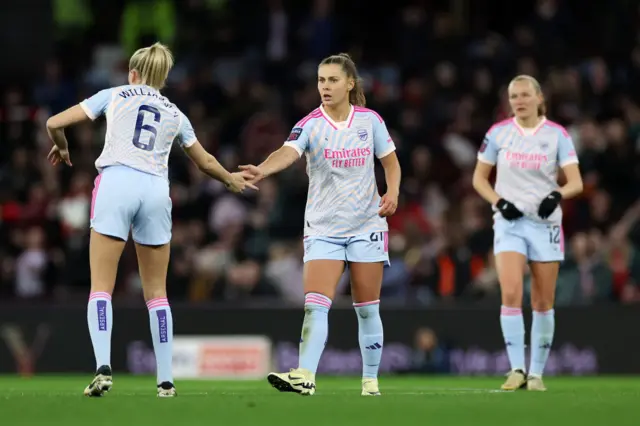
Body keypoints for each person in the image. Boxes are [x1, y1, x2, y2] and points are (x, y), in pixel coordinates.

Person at [45, 42, 257, 397]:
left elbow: (54, 122)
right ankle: (166, 379)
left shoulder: (113, 94)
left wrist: (62, 145)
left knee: (102, 286)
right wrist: (231, 180)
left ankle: (102, 368)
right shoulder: (176, 113)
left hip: (116, 182)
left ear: (133, 73)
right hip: (157, 191)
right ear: (163, 78)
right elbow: (204, 162)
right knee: (157, 293)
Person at [240, 53, 401, 396]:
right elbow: (287, 151)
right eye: (321, 80)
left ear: (350, 84)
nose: (325, 87)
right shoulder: (311, 123)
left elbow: (391, 163)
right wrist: (263, 169)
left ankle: (370, 380)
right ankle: (305, 376)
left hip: (366, 225)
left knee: (367, 310)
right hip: (324, 229)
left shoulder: (370, 121)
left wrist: (393, 192)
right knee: (315, 304)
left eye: (332, 80)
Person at [472, 75, 583, 391]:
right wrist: (499, 202)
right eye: (513, 96)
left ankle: (536, 374)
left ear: (538, 98)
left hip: (545, 225)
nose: (518, 101)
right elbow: (479, 179)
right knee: (509, 292)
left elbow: (576, 181)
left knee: (543, 300)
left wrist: (557, 195)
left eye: (524, 95)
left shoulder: (557, 135)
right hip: (510, 223)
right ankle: (516, 369)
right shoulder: (499, 133)